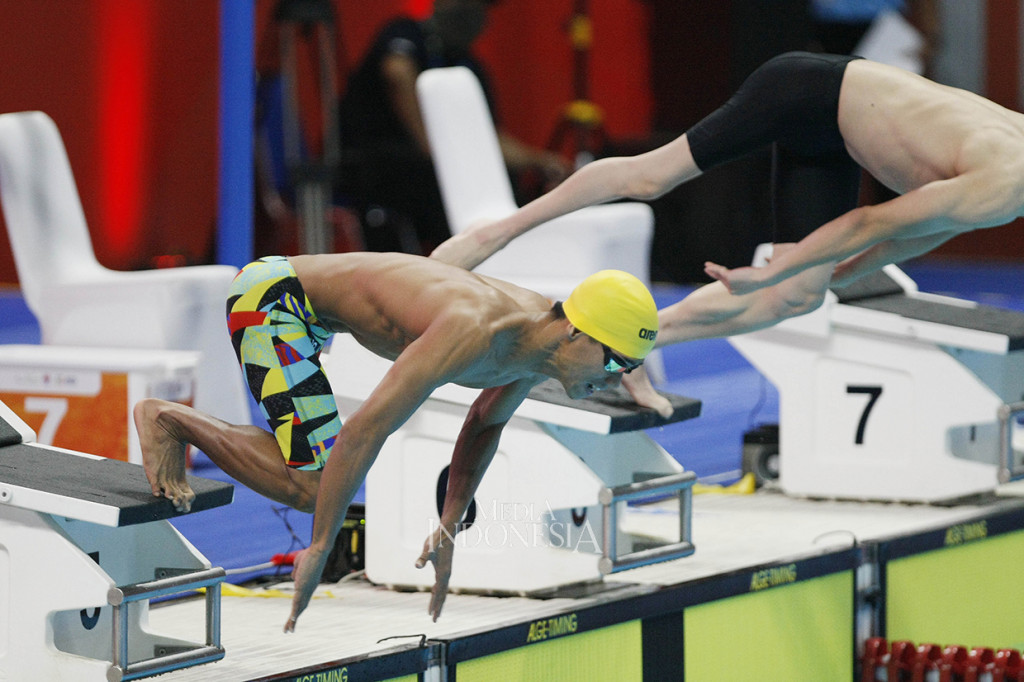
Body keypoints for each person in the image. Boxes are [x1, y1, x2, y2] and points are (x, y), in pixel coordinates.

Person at [132, 253, 659, 629]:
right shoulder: (475, 328)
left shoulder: (537, 350)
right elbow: (368, 428)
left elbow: (483, 424)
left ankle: (177, 421)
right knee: (318, 488)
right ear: (574, 332)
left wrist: (449, 525)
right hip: (271, 298)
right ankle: (170, 419)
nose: (615, 379)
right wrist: (319, 545)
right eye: (614, 361)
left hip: (311, 313)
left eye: (630, 369)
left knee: (323, 480)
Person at [431, 51, 1024, 354]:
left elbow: (929, 225)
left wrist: (816, 277)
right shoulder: (1008, 179)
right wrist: (776, 266)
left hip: (837, 132)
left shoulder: (1005, 185)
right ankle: (497, 232)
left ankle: (628, 345)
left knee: (792, 299)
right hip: (808, 90)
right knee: (649, 177)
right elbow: (870, 220)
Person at [338, 0, 568, 253]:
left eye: (480, 8)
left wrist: (541, 162)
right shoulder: (404, 33)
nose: (473, 14)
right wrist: (433, 147)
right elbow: (397, 72)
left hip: (440, 173)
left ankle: (518, 257)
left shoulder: (468, 65)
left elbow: (488, 137)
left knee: (509, 185)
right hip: (384, 169)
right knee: (448, 190)